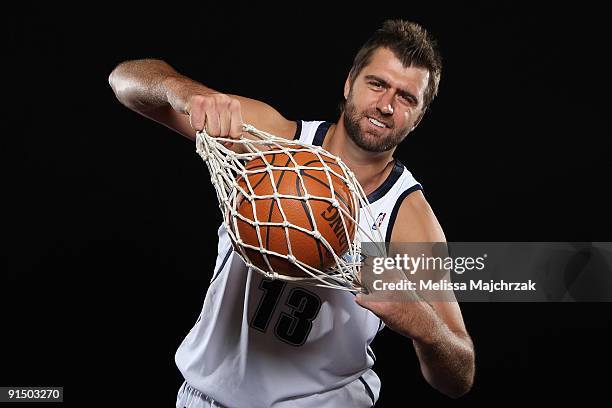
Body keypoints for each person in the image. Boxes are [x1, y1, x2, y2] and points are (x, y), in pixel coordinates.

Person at [109, 19, 475, 407]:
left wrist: (426, 328)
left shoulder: (408, 220)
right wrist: (182, 91)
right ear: (350, 83)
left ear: (418, 117)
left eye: (406, 98)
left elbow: (460, 375)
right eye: (377, 84)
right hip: (208, 395)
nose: (386, 105)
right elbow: (125, 81)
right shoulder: (273, 143)